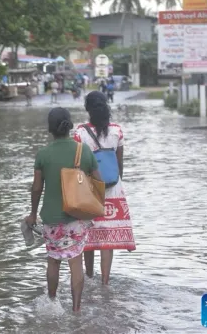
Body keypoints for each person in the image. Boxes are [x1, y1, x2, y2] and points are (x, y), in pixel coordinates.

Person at [25, 107, 101, 312]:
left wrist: (33, 214)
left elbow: (37, 188)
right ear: (69, 125)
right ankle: (76, 310)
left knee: (53, 261)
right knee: (76, 263)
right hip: (77, 217)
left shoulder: (43, 154)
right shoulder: (83, 150)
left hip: (51, 217)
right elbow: (98, 181)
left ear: (50, 128)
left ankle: (52, 302)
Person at [73, 91, 136, 285]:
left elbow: (78, 166)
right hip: (114, 190)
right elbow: (120, 162)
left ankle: (90, 277)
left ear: (88, 109)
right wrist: (116, 183)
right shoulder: (117, 130)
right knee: (107, 239)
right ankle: (105, 282)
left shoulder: (80, 133)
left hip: (90, 190)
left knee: (89, 236)